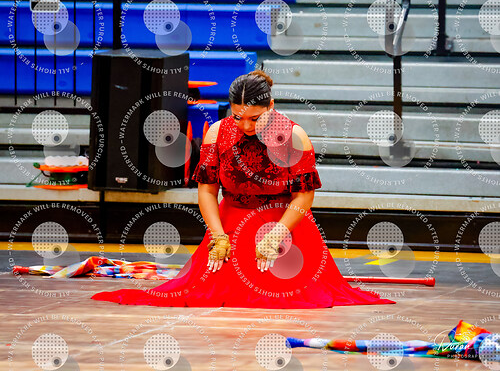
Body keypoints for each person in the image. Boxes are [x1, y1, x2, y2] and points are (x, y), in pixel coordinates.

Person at [92, 70, 394, 308]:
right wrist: (218, 235)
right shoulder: (217, 133)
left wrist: (277, 234)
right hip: (231, 223)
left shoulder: (293, 136)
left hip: (284, 221)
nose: (246, 126)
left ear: (271, 106)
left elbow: (304, 195)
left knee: (285, 294)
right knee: (207, 291)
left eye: (255, 118)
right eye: (238, 117)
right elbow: (207, 191)